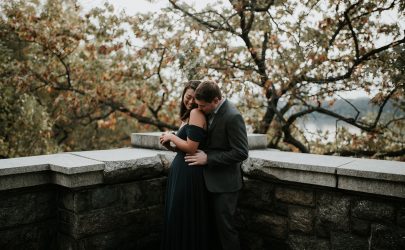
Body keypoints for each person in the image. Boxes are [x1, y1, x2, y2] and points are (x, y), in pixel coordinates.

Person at [184, 80, 249, 250]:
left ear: (216, 100)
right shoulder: (207, 109)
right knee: (211, 230)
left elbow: (241, 152)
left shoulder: (233, 116)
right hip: (207, 181)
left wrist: (208, 159)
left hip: (225, 186)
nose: (199, 109)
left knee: (226, 230)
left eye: (203, 106)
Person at [159, 80, 214, 250]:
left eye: (193, 99)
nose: (190, 102)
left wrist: (172, 136)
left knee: (182, 218)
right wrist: (170, 145)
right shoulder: (187, 115)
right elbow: (184, 149)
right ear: (183, 95)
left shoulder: (196, 113)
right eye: (187, 97)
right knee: (177, 217)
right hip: (181, 172)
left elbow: (191, 148)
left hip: (189, 175)